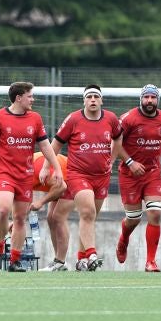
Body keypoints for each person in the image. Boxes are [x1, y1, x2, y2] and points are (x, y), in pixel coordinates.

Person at [0, 81, 63, 273]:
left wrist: (57, 169)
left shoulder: (35, 118)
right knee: (3, 209)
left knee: (20, 218)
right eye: (30, 96)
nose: (33, 99)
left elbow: (46, 146)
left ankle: (15, 260)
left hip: (25, 175)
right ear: (19, 98)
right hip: (4, 173)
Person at [47, 85, 122, 272]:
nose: (93, 100)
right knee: (87, 212)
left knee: (90, 217)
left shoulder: (111, 119)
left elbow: (118, 138)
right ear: (84, 100)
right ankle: (92, 253)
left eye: (96, 96)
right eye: (89, 96)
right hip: (78, 174)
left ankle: (81, 259)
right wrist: (47, 166)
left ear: (102, 100)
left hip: (102, 176)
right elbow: (55, 144)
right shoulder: (73, 119)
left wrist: (112, 159)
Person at [114, 84, 161, 273]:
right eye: (146, 97)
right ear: (141, 99)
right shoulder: (128, 119)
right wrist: (130, 162)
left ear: (158, 99)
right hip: (129, 174)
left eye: (153, 97)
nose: (149, 101)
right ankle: (124, 239)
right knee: (133, 218)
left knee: (155, 213)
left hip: (152, 174)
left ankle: (151, 261)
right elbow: (116, 144)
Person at [30, 152, 69, 271]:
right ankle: (59, 262)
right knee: (50, 219)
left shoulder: (34, 167)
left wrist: (41, 202)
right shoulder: (19, 174)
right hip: (59, 184)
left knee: (57, 217)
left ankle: (60, 262)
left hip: (70, 179)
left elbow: (61, 186)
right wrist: (16, 220)